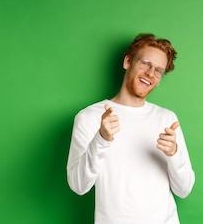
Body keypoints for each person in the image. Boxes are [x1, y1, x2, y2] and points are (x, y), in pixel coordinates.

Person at [66, 33, 195, 223]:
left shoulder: (167, 119)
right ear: (127, 61)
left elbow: (184, 190)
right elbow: (78, 186)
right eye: (145, 63)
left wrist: (174, 154)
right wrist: (101, 139)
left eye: (158, 70)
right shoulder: (90, 118)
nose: (150, 73)